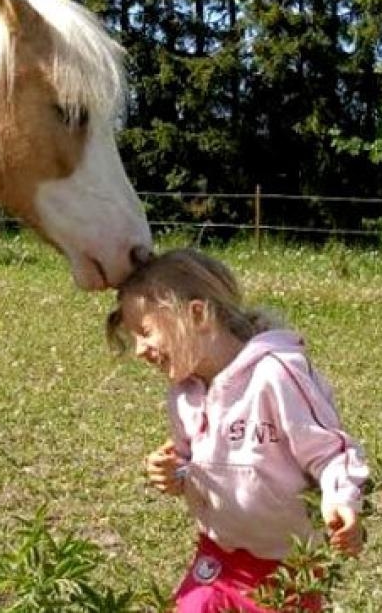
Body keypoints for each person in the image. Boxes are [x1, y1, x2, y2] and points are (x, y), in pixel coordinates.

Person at [105, 248, 368, 613]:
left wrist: (341, 500)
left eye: (145, 332)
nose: (139, 350)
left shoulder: (276, 374)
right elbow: (191, 463)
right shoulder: (184, 393)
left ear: (197, 314)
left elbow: (330, 450)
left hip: (287, 565)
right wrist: (172, 472)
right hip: (218, 554)